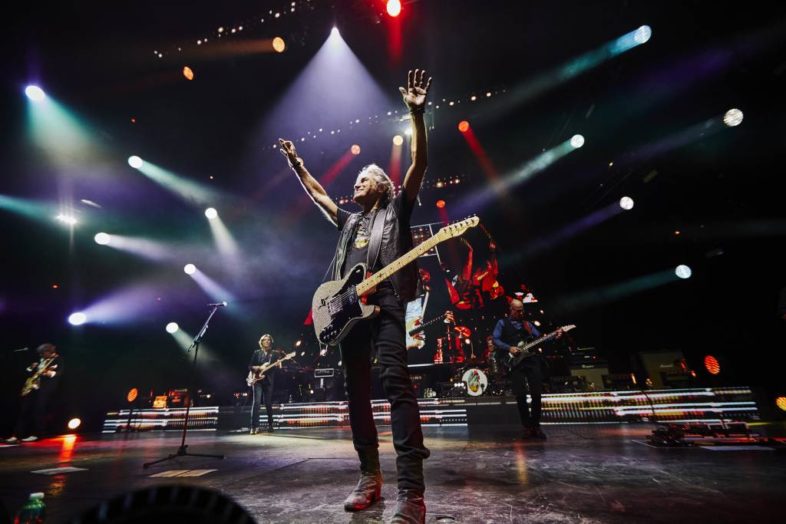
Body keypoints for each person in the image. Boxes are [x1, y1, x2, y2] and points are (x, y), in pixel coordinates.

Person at [278, 68, 432, 523]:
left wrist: (417, 116)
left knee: (398, 387)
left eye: (363, 182)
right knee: (357, 395)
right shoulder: (350, 223)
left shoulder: (397, 209)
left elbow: (419, 164)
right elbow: (321, 195)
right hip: (349, 314)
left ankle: (412, 492)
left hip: (385, 306)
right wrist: (298, 166)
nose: (355, 188)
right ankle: (370, 477)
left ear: (381, 185)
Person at [492, 299, 549, 439]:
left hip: (531, 360)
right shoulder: (502, 323)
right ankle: (527, 427)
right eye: (517, 310)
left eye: (522, 310)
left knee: (536, 393)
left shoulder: (527, 324)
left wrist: (554, 336)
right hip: (515, 362)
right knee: (520, 395)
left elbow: (540, 338)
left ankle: (536, 425)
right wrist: (509, 347)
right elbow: (495, 339)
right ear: (510, 310)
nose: (520, 313)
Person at [5, 343, 63, 443]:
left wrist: (47, 372)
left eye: (42, 353)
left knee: (38, 412)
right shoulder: (40, 360)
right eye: (40, 354)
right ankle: (17, 435)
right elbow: (28, 372)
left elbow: (56, 374)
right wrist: (31, 367)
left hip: (44, 390)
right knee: (24, 411)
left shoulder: (57, 360)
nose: (41, 355)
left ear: (49, 352)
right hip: (32, 388)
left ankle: (38, 434)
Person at [248, 334, 279, 434]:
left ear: (271, 342)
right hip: (257, 380)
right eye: (265, 340)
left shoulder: (274, 354)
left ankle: (270, 425)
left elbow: (276, 367)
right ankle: (254, 427)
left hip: (268, 381)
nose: (267, 341)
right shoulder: (257, 353)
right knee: (256, 403)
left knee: (268, 403)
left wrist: (279, 365)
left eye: (269, 340)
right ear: (261, 342)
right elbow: (250, 366)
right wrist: (259, 368)